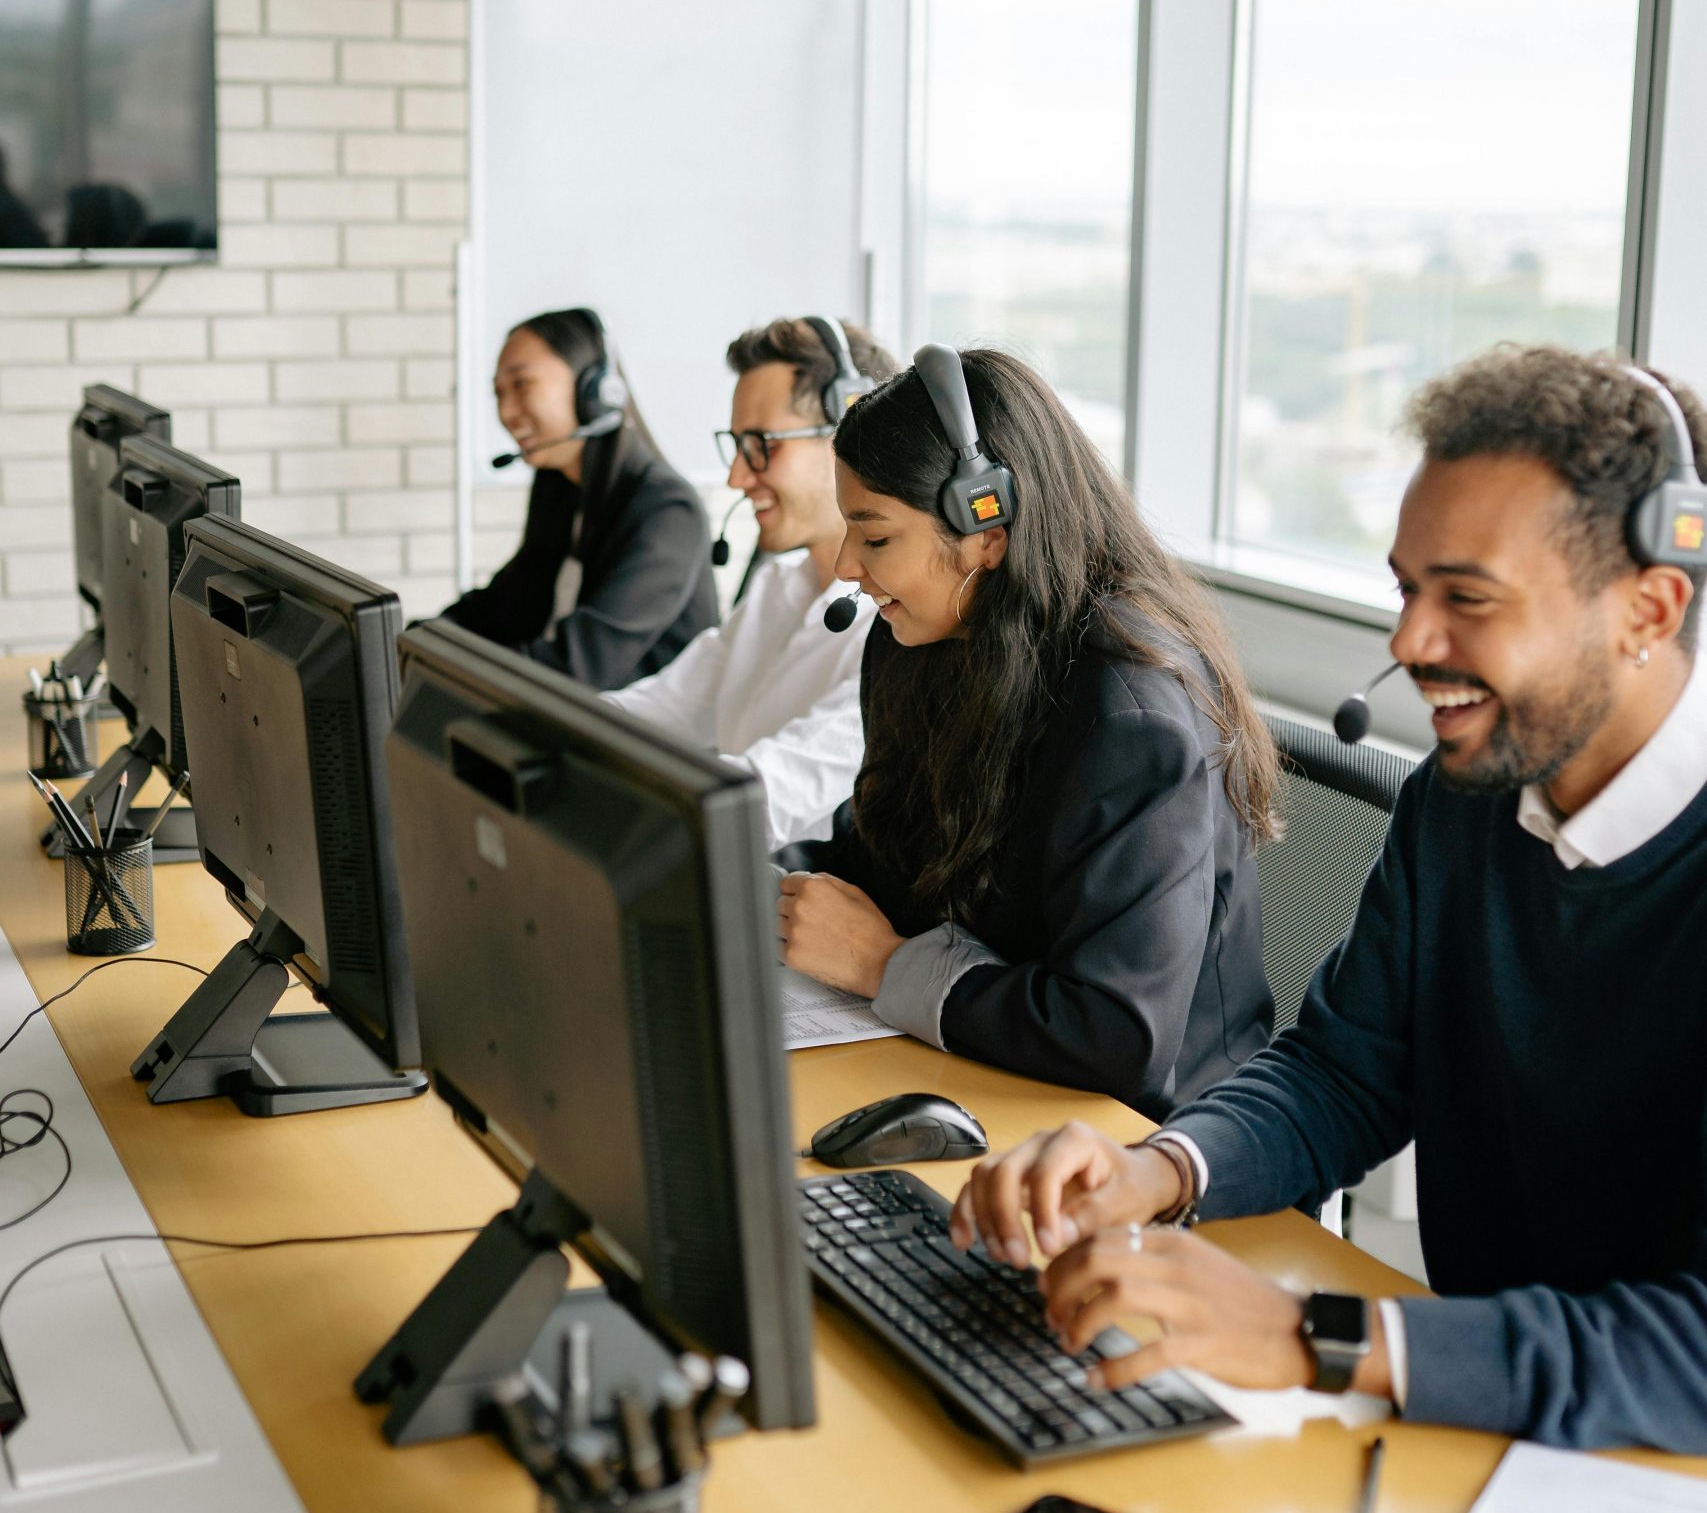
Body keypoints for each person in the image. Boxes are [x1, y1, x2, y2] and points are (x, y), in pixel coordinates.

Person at [953, 345, 1707, 1455]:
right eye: (1408, 589)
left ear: (1649, 607)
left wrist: (1324, 1339)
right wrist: (1153, 1173)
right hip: (1487, 1429)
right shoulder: (1465, 800)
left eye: (1468, 599)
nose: (1408, 643)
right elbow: (1345, 1070)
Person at [777, 344, 1277, 1109]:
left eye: (874, 536)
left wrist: (884, 969)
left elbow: (1116, 1036)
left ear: (987, 527)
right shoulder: (922, 641)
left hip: (1145, 1141)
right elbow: (885, 851)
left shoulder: (1131, 714)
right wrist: (752, 885)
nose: (847, 563)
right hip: (980, 1076)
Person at [605, 314, 899, 846]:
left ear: (853, 431)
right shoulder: (778, 587)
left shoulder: (899, 624)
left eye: (762, 444)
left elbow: (766, 800)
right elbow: (661, 709)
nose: (737, 477)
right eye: (738, 445)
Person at [443, 307, 716, 691]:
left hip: (644, 737)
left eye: (522, 385)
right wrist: (418, 640)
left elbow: (579, 667)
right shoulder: (559, 485)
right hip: (576, 718)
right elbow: (507, 603)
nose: (506, 412)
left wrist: (447, 669)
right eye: (498, 393)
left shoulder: (668, 510)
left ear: (596, 391)